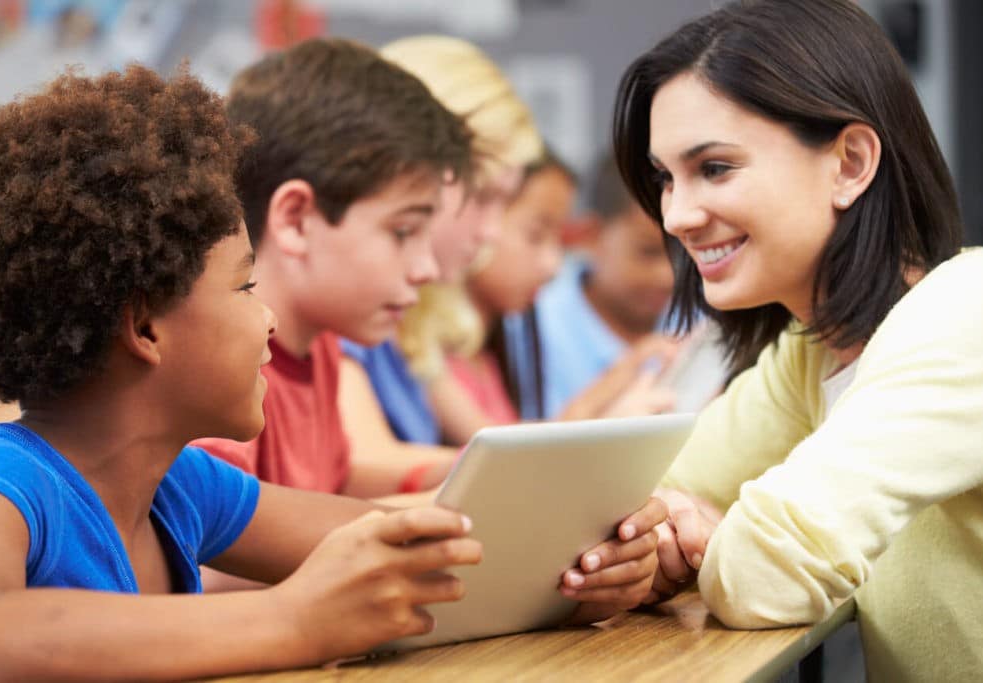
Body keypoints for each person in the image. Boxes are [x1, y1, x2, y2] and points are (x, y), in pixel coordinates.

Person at [0, 65, 666, 679]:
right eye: (245, 287)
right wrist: (290, 620)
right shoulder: (9, 478)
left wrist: (584, 571)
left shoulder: (183, 487)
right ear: (145, 327)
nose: (268, 318)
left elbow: (413, 546)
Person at [611, 0, 983, 679]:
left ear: (850, 163)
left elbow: (770, 572)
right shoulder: (813, 352)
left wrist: (703, 540)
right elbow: (638, 505)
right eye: (665, 178)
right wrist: (655, 539)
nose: (675, 215)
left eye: (715, 168)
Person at [194, 38, 469, 498]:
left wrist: (470, 473)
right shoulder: (220, 364)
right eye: (403, 231)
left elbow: (331, 485)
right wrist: (420, 517)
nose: (427, 269)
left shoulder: (319, 344)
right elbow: (221, 533)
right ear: (296, 220)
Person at [336, 34, 540, 467]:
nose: (491, 231)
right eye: (482, 196)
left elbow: (496, 444)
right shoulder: (343, 311)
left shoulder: (416, 316)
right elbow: (361, 462)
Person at [430, 153, 678, 445]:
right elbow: (501, 456)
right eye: (535, 236)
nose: (554, 266)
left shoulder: (487, 352)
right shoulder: (435, 354)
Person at [521, 154, 679, 419]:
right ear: (592, 236)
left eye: (679, 253)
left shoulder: (695, 318)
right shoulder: (535, 325)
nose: (667, 276)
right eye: (647, 252)